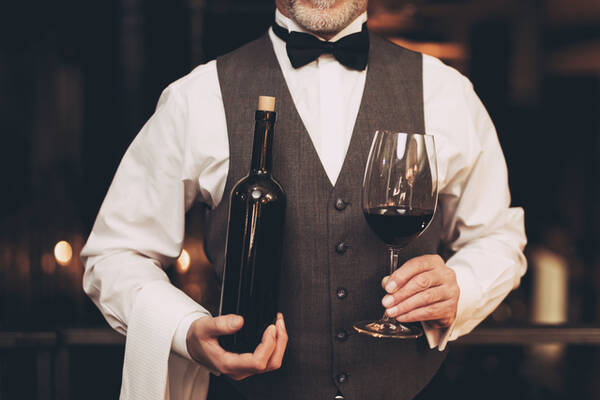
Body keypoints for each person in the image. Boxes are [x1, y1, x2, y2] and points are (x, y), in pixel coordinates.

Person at [81, 0, 527, 399]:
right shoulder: (197, 96)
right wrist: (184, 330)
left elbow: (497, 237)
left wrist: (460, 290)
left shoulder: (446, 92)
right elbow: (116, 254)